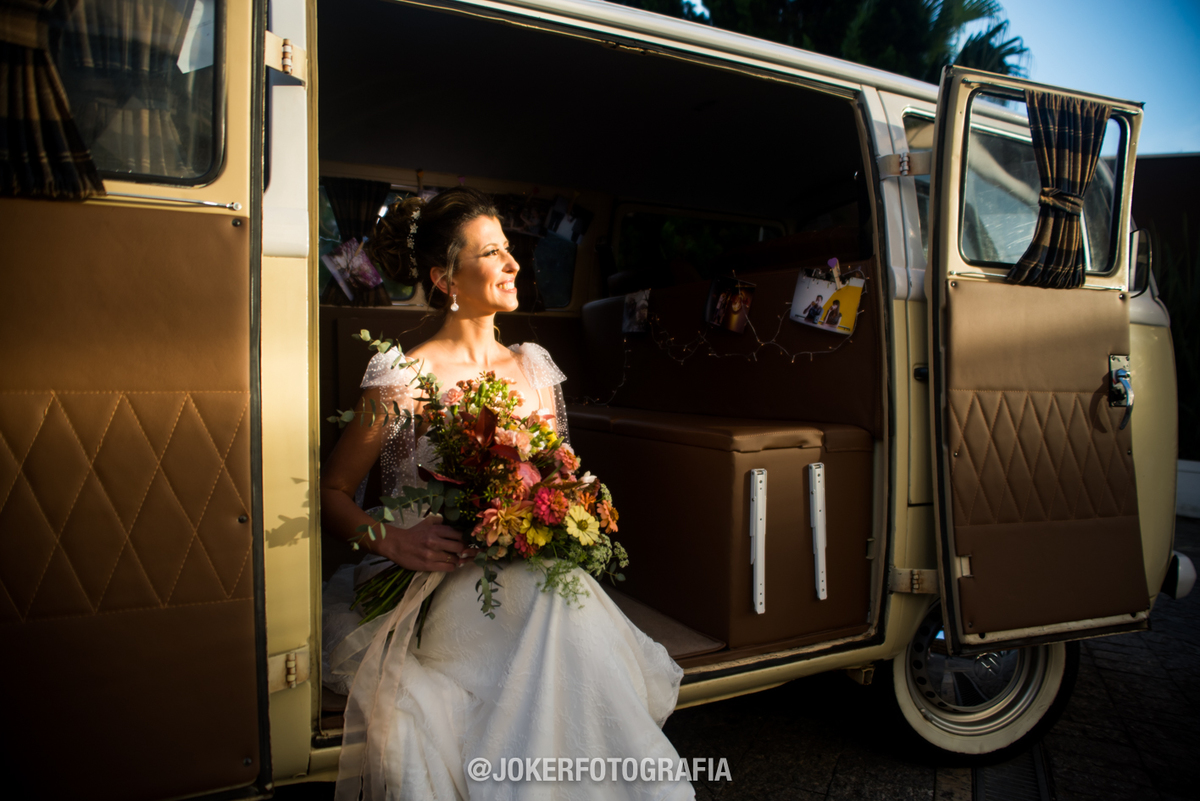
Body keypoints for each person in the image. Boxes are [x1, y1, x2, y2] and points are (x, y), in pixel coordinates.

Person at [320, 187, 693, 800]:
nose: (515, 263)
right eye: (493, 252)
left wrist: (557, 511)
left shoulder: (533, 366)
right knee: (556, 613)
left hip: (529, 567)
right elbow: (333, 491)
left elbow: (557, 472)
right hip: (440, 577)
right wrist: (393, 542)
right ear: (445, 278)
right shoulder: (402, 375)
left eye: (510, 248)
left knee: (555, 606)